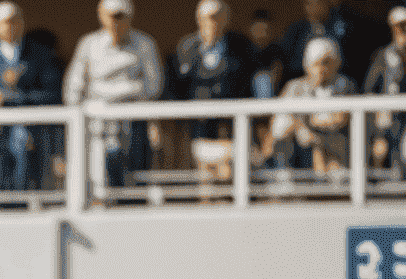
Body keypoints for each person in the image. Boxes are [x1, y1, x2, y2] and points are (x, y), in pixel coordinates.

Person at [63, 0, 163, 194]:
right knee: (99, 179)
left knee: (135, 180)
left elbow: (154, 86)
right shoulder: (89, 44)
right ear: (101, 16)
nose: (116, 22)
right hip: (97, 125)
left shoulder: (144, 44)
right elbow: (73, 88)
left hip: (134, 125)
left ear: (129, 18)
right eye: (111, 16)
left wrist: (124, 93)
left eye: (121, 17)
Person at [0, 3, 63, 194]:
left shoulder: (41, 55)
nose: (10, 26)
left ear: (22, 23)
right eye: (5, 22)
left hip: (31, 131)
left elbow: (53, 95)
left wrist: (9, 98)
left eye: (14, 21)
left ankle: (20, 200)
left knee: (21, 142)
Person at [166, 0, 258, 183]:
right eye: (208, 18)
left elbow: (251, 79)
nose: (212, 22)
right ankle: (208, 200)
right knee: (206, 169)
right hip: (199, 123)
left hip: (232, 122)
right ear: (199, 19)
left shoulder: (241, 45)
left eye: (217, 17)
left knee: (228, 169)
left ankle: (229, 204)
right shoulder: (186, 47)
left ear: (226, 19)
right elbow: (176, 85)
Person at [268, 37, 357, 173]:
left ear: (336, 63)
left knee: (322, 150)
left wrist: (305, 125)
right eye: (316, 63)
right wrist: (300, 127)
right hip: (300, 145)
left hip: (334, 142)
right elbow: (277, 123)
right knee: (284, 129)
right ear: (307, 65)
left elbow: (339, 119)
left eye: (326, 62)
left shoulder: (344, 85)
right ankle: (283, 177)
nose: (321, 68)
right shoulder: (294, 87)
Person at [279, 0, 385, 91]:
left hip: (339, 81)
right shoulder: (296, 31)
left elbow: (357, 57)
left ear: (327, 4)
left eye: (318, 3)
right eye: (309, 4)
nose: (313, 7)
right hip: (306, 82)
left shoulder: (348, 26)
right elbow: (288, 62)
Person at [364, 8, 406, 178]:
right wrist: (377, 113)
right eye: (399, 26)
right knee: (379, 151)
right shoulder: (383, 55)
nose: (402, 30)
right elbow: (369, 88)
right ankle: (378, 195)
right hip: (386, 116)